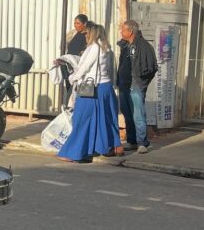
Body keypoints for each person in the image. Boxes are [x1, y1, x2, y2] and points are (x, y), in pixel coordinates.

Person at [57, 23, 121, 163]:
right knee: (103, 119)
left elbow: (84, 67)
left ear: (92, 33)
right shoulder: (107, 48)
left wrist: (72, 78)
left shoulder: (94, 48)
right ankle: (105, 147)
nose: (84, 36)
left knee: (81, 120)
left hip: (92, 89)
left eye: (86, 33)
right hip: (105, 87)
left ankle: (74, 152)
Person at [117, 19, 158, 154]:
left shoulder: (144, 46)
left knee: (138, 115)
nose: (121, 32)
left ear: (131, 31)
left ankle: (143, 143)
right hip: (124, 85)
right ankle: (132, 141)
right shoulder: (125, 46)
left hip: (136, 86)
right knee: (127, 114)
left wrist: (141, 83)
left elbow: (151, 68)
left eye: (123, 30)